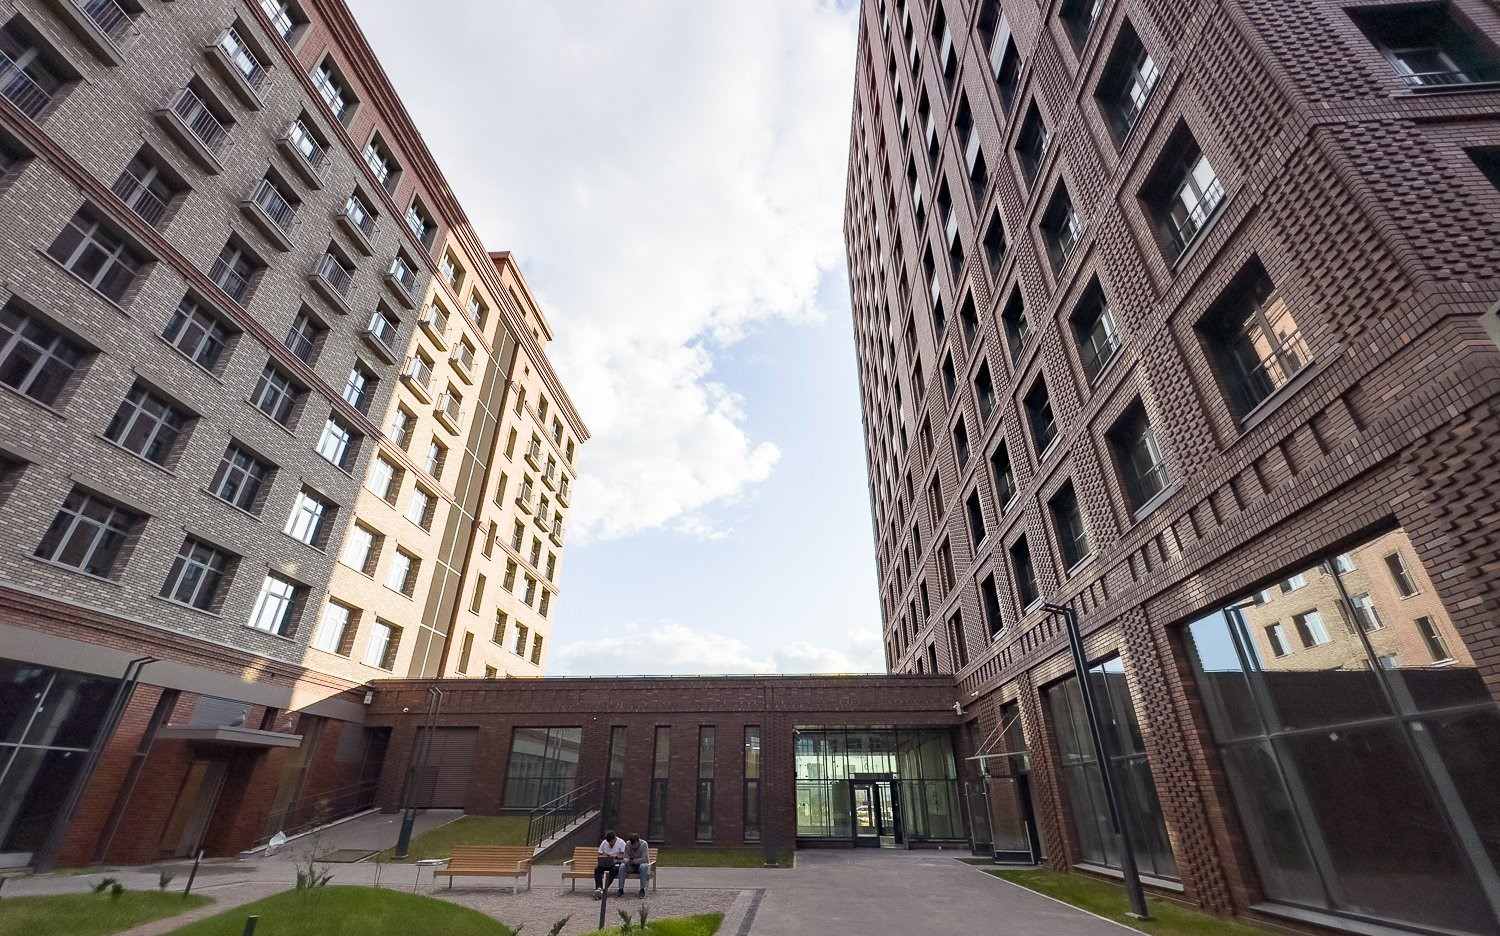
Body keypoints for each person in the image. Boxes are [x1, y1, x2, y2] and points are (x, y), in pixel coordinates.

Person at [593, 829, 627, 898]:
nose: (610, 844)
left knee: (613, 870)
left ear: (615, 838)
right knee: (597, 869)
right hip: (606, 862)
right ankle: (598, 888)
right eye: (609, 842)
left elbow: (624, 855)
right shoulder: (604, 842)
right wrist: (604, 857)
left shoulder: (621, 842)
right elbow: (600, 854)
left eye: (611, 842)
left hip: (616, 862)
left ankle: (604, 888)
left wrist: (616, 857)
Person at [616, 833, 650, 897]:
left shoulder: (644, 844)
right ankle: (620, 889)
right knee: (622, 867)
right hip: (631, 866)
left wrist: (633, 860)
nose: (633, 847)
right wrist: (625, 860)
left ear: (638, 841)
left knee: (643, 866)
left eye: (635, 845)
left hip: (640, 865)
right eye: (632, 845)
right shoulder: (628, 844)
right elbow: (625, 856)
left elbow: (645, 859)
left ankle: (642, 889)